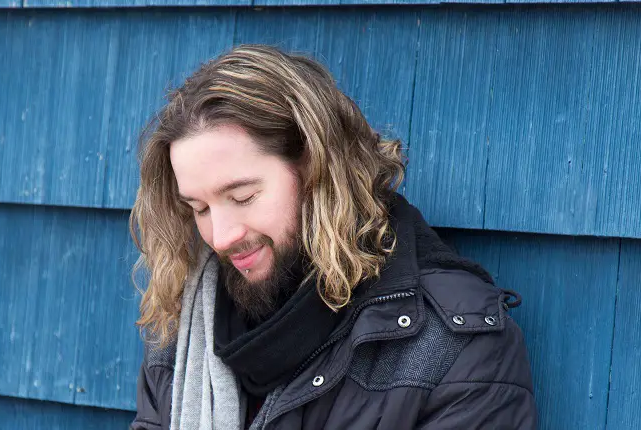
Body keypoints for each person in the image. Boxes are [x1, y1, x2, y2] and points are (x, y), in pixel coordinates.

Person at [129, 44, 537, 430]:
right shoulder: (188, 328)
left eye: (242, 196)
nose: (219, 238)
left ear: (315, 168)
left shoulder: (453, 349)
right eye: (199, 208)